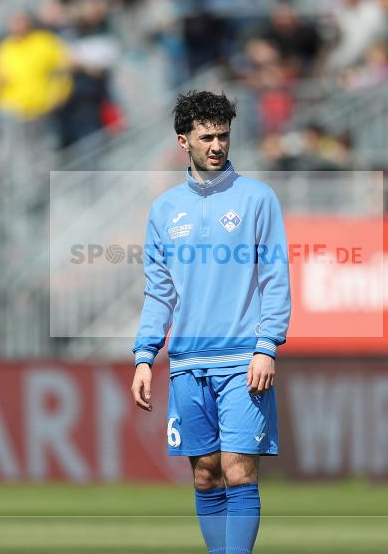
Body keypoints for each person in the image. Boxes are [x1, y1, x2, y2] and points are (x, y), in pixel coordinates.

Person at [130, 91, 291, 554]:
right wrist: (145, 356)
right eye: (207, 137)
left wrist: (266, 345)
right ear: (184, 142)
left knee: (239, 468)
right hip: (186, 363)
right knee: (205, 472)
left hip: (243, 359)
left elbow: (276, 277)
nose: (217, 145)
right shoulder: (165, 210)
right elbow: (159, 290)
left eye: (223, 135)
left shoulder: (258, 198)